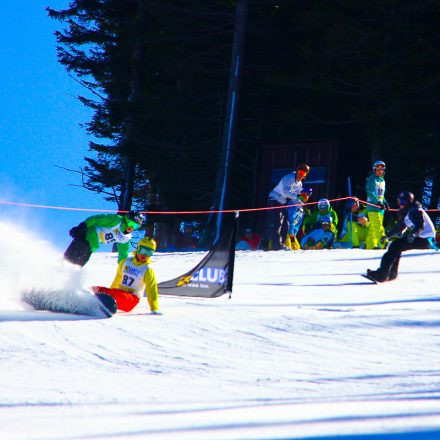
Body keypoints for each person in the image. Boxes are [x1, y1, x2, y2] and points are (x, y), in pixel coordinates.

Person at [365, 191, 436, 283]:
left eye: (403, 202)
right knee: (396, 247)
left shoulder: (415, 211)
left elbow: (420, 226)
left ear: (408, 202)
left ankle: (382, 274)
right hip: (421, 237)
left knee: (395, 246)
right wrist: (387, 236)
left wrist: (413, 234)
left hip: (426, 239)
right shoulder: (406, 212)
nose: (401, 204)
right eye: (399, 202)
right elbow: (399, 227)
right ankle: (391, 274)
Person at [93, 237, 161, 314]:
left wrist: (154, 308)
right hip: (119, 293)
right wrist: (109, 292)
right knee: (96, 289)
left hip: (131, 299)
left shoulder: (147, 270)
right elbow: (118, 278)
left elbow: (151, 289)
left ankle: (95, 305)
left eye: (149, 253)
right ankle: (82, 300)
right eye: (143, 250)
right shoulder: (126, 262)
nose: (145, 255)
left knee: (114, 294)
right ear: (138, 248)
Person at [64, 211, 145, 267]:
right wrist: (83, 226)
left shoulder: (126, 238)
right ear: (127, 219)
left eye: (135, 226)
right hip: (86, 236)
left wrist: (122, 267)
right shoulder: (116, 220)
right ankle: (58, 273)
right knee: (70, 259)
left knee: (79, 264)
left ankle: (66, 283)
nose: (131, 227)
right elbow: (97, 219)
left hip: (93, 245)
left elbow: (123, 253)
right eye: (131, 223)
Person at [263, 163, 310, 250]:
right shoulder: (289, 178)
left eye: (303, 174)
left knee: (286, 224)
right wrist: (297, 200)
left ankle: (281, 244)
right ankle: (276, 246)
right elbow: (285, 192)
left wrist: (301, 206)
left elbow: (296, 198)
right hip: (274, 200)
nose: (300, 175)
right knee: (276, 224)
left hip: (282, 203)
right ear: (296, 171)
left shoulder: (299, 184)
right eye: (299, 172)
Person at [365, 160, 389, 249]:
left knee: (373, 228)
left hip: (380, 208)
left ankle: (370, 245)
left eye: (381, 169)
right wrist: (377, 202)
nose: (380, 171)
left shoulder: (382, 181)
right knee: (378, 226)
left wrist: (385, 202)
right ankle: (384, 243)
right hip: (373, 207)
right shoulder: (372, 179)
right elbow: (370, 192)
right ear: (374, 170)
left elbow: (381, 195)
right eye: (378, 169)